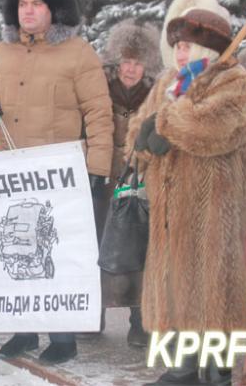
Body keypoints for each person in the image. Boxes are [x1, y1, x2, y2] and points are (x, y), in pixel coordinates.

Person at [0, 0, 113, 365]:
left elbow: (99, 113)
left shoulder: (78, 52)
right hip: (11, 170)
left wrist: (97, 168)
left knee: (55, 254)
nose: (29, 11)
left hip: (59, 176)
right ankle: (23, 331)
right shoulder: (3, 52)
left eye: (36, 3)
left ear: (53, 9)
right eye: (22, 4)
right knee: (15, 250)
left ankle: (63, 337)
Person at [124, 0, 246, 385]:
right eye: (177, 46)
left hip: (215, 207)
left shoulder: (235, 82)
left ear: (208, 48)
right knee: (174, 286)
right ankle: (182, 365)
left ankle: (217, 370)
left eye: (187, 46)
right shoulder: (170, 81)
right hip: (170, 211)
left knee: (214, 287)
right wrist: (144, 135)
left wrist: (164, 123)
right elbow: (139, 126)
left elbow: (215, 128)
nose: (180, 55)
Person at [96, 19, 160, 347]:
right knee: (99, 249)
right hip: (104, 181)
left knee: (139, 253)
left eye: (137, 62)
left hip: (140, 186)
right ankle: (94, 315)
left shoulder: (156, 96)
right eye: (126, 61)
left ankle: (141, 322)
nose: (131, 69)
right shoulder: (98, 90)